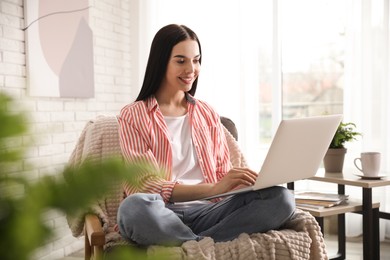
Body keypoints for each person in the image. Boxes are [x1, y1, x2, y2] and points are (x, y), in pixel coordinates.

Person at [116, 24, 295, 247]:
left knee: (281, 198)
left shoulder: (206, 112)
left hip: (211, 211)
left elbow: (221, 173)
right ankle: (206, 244)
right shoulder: (133, 115)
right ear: (161, 62)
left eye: (196, 60)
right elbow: (143, 186)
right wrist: (213, 188)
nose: (191, 69)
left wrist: (250, 183)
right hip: (161, 213)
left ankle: (192, 244)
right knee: (133, 208)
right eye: (181, 61)